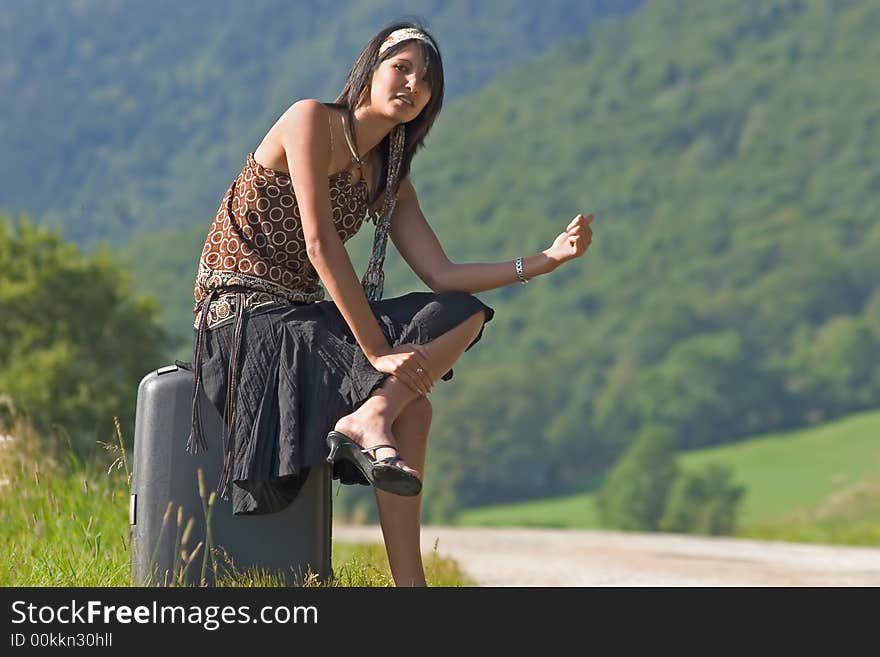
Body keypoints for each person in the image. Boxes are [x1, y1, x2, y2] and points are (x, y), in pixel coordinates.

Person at [189, 20, 593, 587]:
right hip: (242, 317)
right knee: (413, 403)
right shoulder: (310, 120)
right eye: (401, 68)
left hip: (303, 318)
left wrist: (544, 260)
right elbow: (321, 243)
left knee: (463, 315)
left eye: (425, 81)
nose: (411, 85)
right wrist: (376, 352)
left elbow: (442, 273)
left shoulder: (388, 175)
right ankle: (376, 423)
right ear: (370, 71)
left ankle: (408, 579)